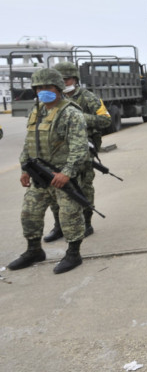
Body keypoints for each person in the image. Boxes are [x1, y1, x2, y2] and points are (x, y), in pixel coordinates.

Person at [7, 68, 89, 274]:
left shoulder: (71, 113)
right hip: (38, 175)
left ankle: (73, 253)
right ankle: (34, 250)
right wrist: (24, 168)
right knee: (29, 214)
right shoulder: (37, 111)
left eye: (47, 87)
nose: (42, 91)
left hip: (62, 176)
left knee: (69, 215)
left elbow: (80, 147)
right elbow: (28, 143)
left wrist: (67, 172)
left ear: (58, 88)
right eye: (39, 87)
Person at [39, 61, 111, 241]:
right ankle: (59, 226)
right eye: (60, 79)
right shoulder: (52, 99)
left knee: (84, 188)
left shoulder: (87, 97)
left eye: (67, 78)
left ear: (75, 79)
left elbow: (105, 120)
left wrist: (78, 117)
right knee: (56, 190)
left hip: (82, 152)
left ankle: (86, 222)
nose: (64, 82)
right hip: (55, 154)